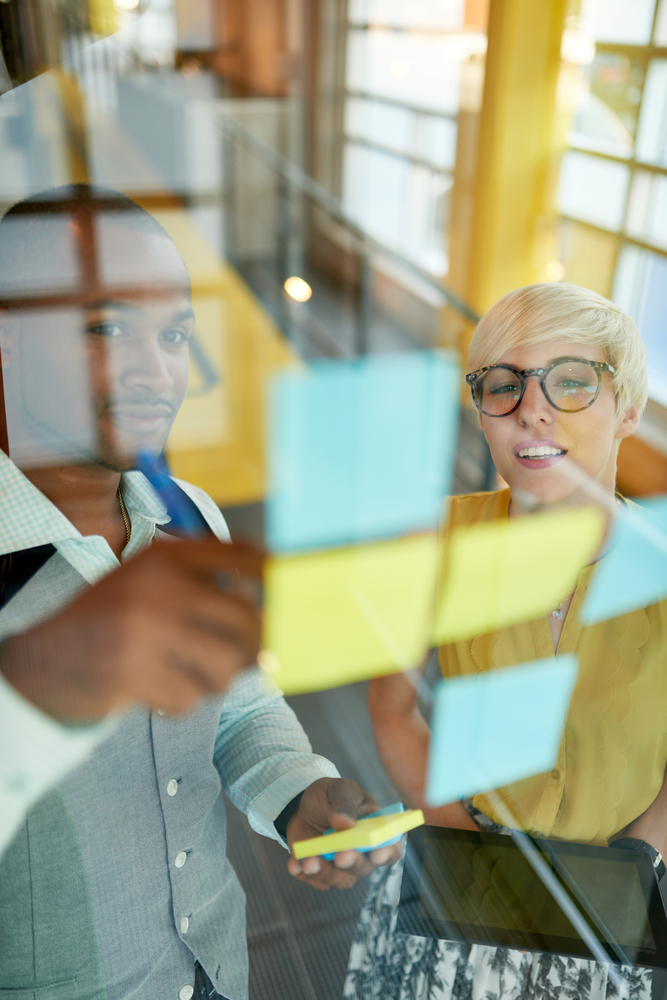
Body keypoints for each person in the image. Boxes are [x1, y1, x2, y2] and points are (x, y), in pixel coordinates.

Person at [0, 185, 401, 1000]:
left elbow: (242, 707)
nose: (158, 372)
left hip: (212, 969)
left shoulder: (190, 519)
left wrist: (300, 795)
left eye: (176, 333)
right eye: (106, 328)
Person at [345, 283, 667, 1000]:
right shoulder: (429, 541)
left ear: (628, 412)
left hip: (619, 890)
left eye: (572, 382)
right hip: (465, 856)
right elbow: (392, 711)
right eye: (503, 386)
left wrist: (640, 858)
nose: (532, 407)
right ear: (484, 414)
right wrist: (467, 846)